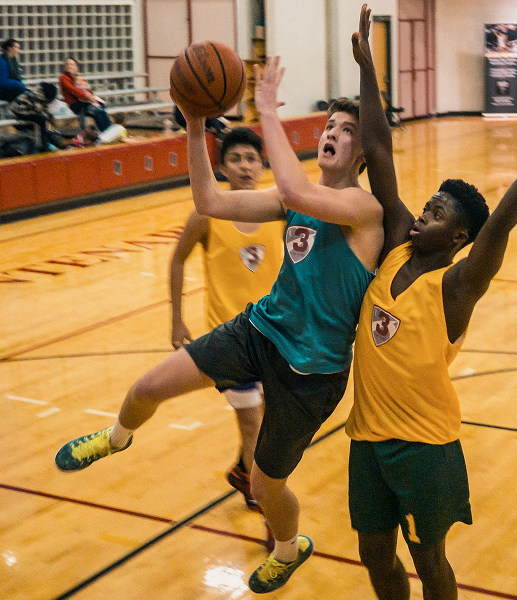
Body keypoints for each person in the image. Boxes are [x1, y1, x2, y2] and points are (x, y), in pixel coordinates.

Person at [55, 56, 384, 595]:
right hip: (259, 331)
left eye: (347, 131)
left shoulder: (360, 208)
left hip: (313, 371)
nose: (332, 134)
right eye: (329, 125)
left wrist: (269, 111)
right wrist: (193, 125)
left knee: (264, 481)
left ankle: (287, 548)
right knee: (147, 387)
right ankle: (117, 438)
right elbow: (208, 200)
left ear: (363, 153)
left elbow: (302, 193)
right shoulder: (292, 200)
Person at [349, 6, 517, 599]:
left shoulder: (456, 286)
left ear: (457, 238)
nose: (422, 214)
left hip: (426, 444)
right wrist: (368, 70)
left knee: (429, 559)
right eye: (426, 205)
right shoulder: (397, 248)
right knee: (374, 553)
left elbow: (500, 229)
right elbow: (378, 150)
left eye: (435, 214)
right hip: (366, 436)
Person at [169, 127, 284, 513]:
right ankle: (259, 494)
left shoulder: (279, 212)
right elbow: (177, 260)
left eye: (252, 158)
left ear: (262, 164)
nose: (245, 166)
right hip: (229, 337)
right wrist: (177, 320)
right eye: (236, 159)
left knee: (267, 421)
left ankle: (242, 468)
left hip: (274, 332)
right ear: (221, 166)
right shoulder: (206, 215)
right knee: (252, 421)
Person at [8, 82, 66, 152]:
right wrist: (49, 119)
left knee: (42, 120)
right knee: (41, 120)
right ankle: (44, 144)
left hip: (24, 109)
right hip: (18, 110)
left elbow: (44, 109)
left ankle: (42, 142)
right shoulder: (37, 96)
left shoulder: (40, 94)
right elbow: (39, 110)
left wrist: (51, 118)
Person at [59, 57, 112, 132]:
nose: (70, 66)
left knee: (101, 111)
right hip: (75, 104)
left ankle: (108, 132)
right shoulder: (63, 77)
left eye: (72, 64)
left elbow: (89, 89)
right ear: (64, 66)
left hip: (86, 101)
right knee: (96, 111)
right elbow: (73, 90)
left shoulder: (78, 77)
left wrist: (89, 94)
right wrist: (87, 97)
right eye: (67, 64)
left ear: (76, 67)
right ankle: (104, 132)